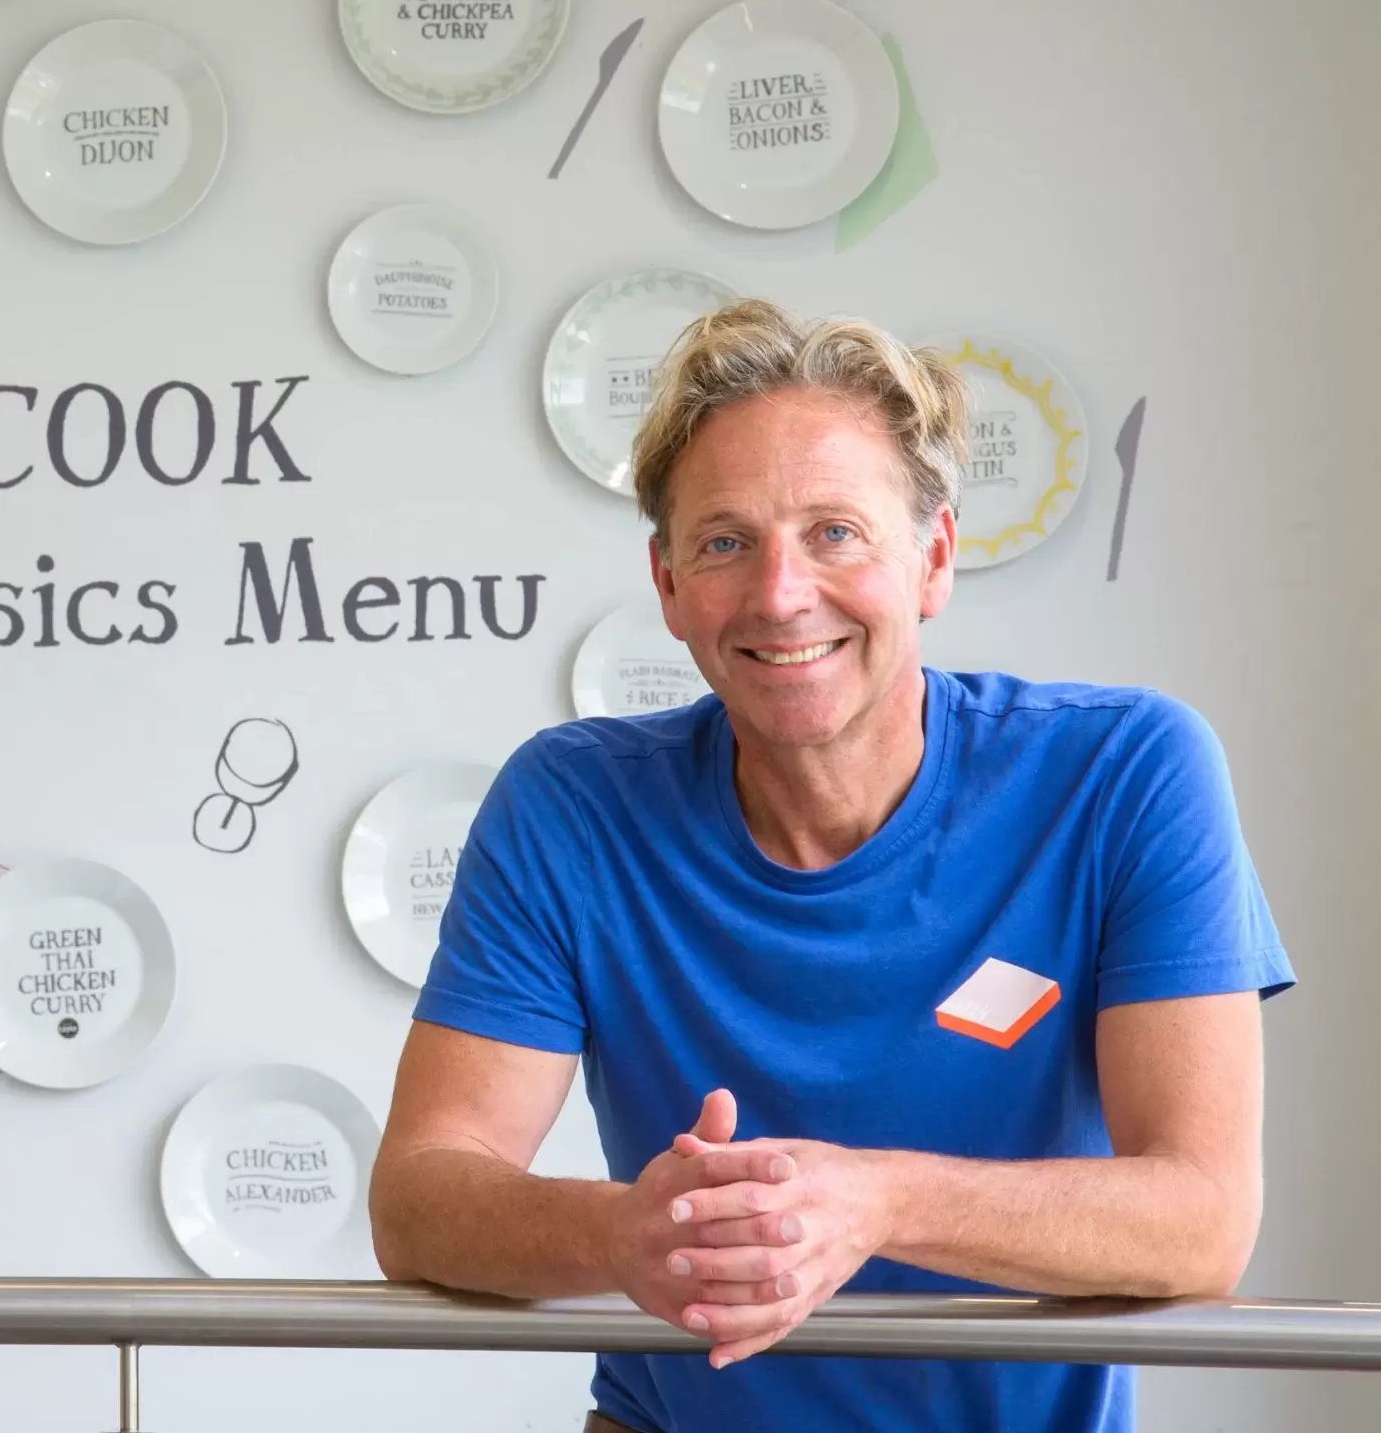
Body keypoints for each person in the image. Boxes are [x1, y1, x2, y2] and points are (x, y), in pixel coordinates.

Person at [369, 300, 1291, 1433]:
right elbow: (420, 1198)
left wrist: (871, 1199)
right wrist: (622, 1234)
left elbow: (1200, 1224)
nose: (778, 594)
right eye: (724, 542)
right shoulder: (570, 806)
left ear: (933, 559)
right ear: (665, 586)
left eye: (834, 533)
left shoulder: (1126, 774)